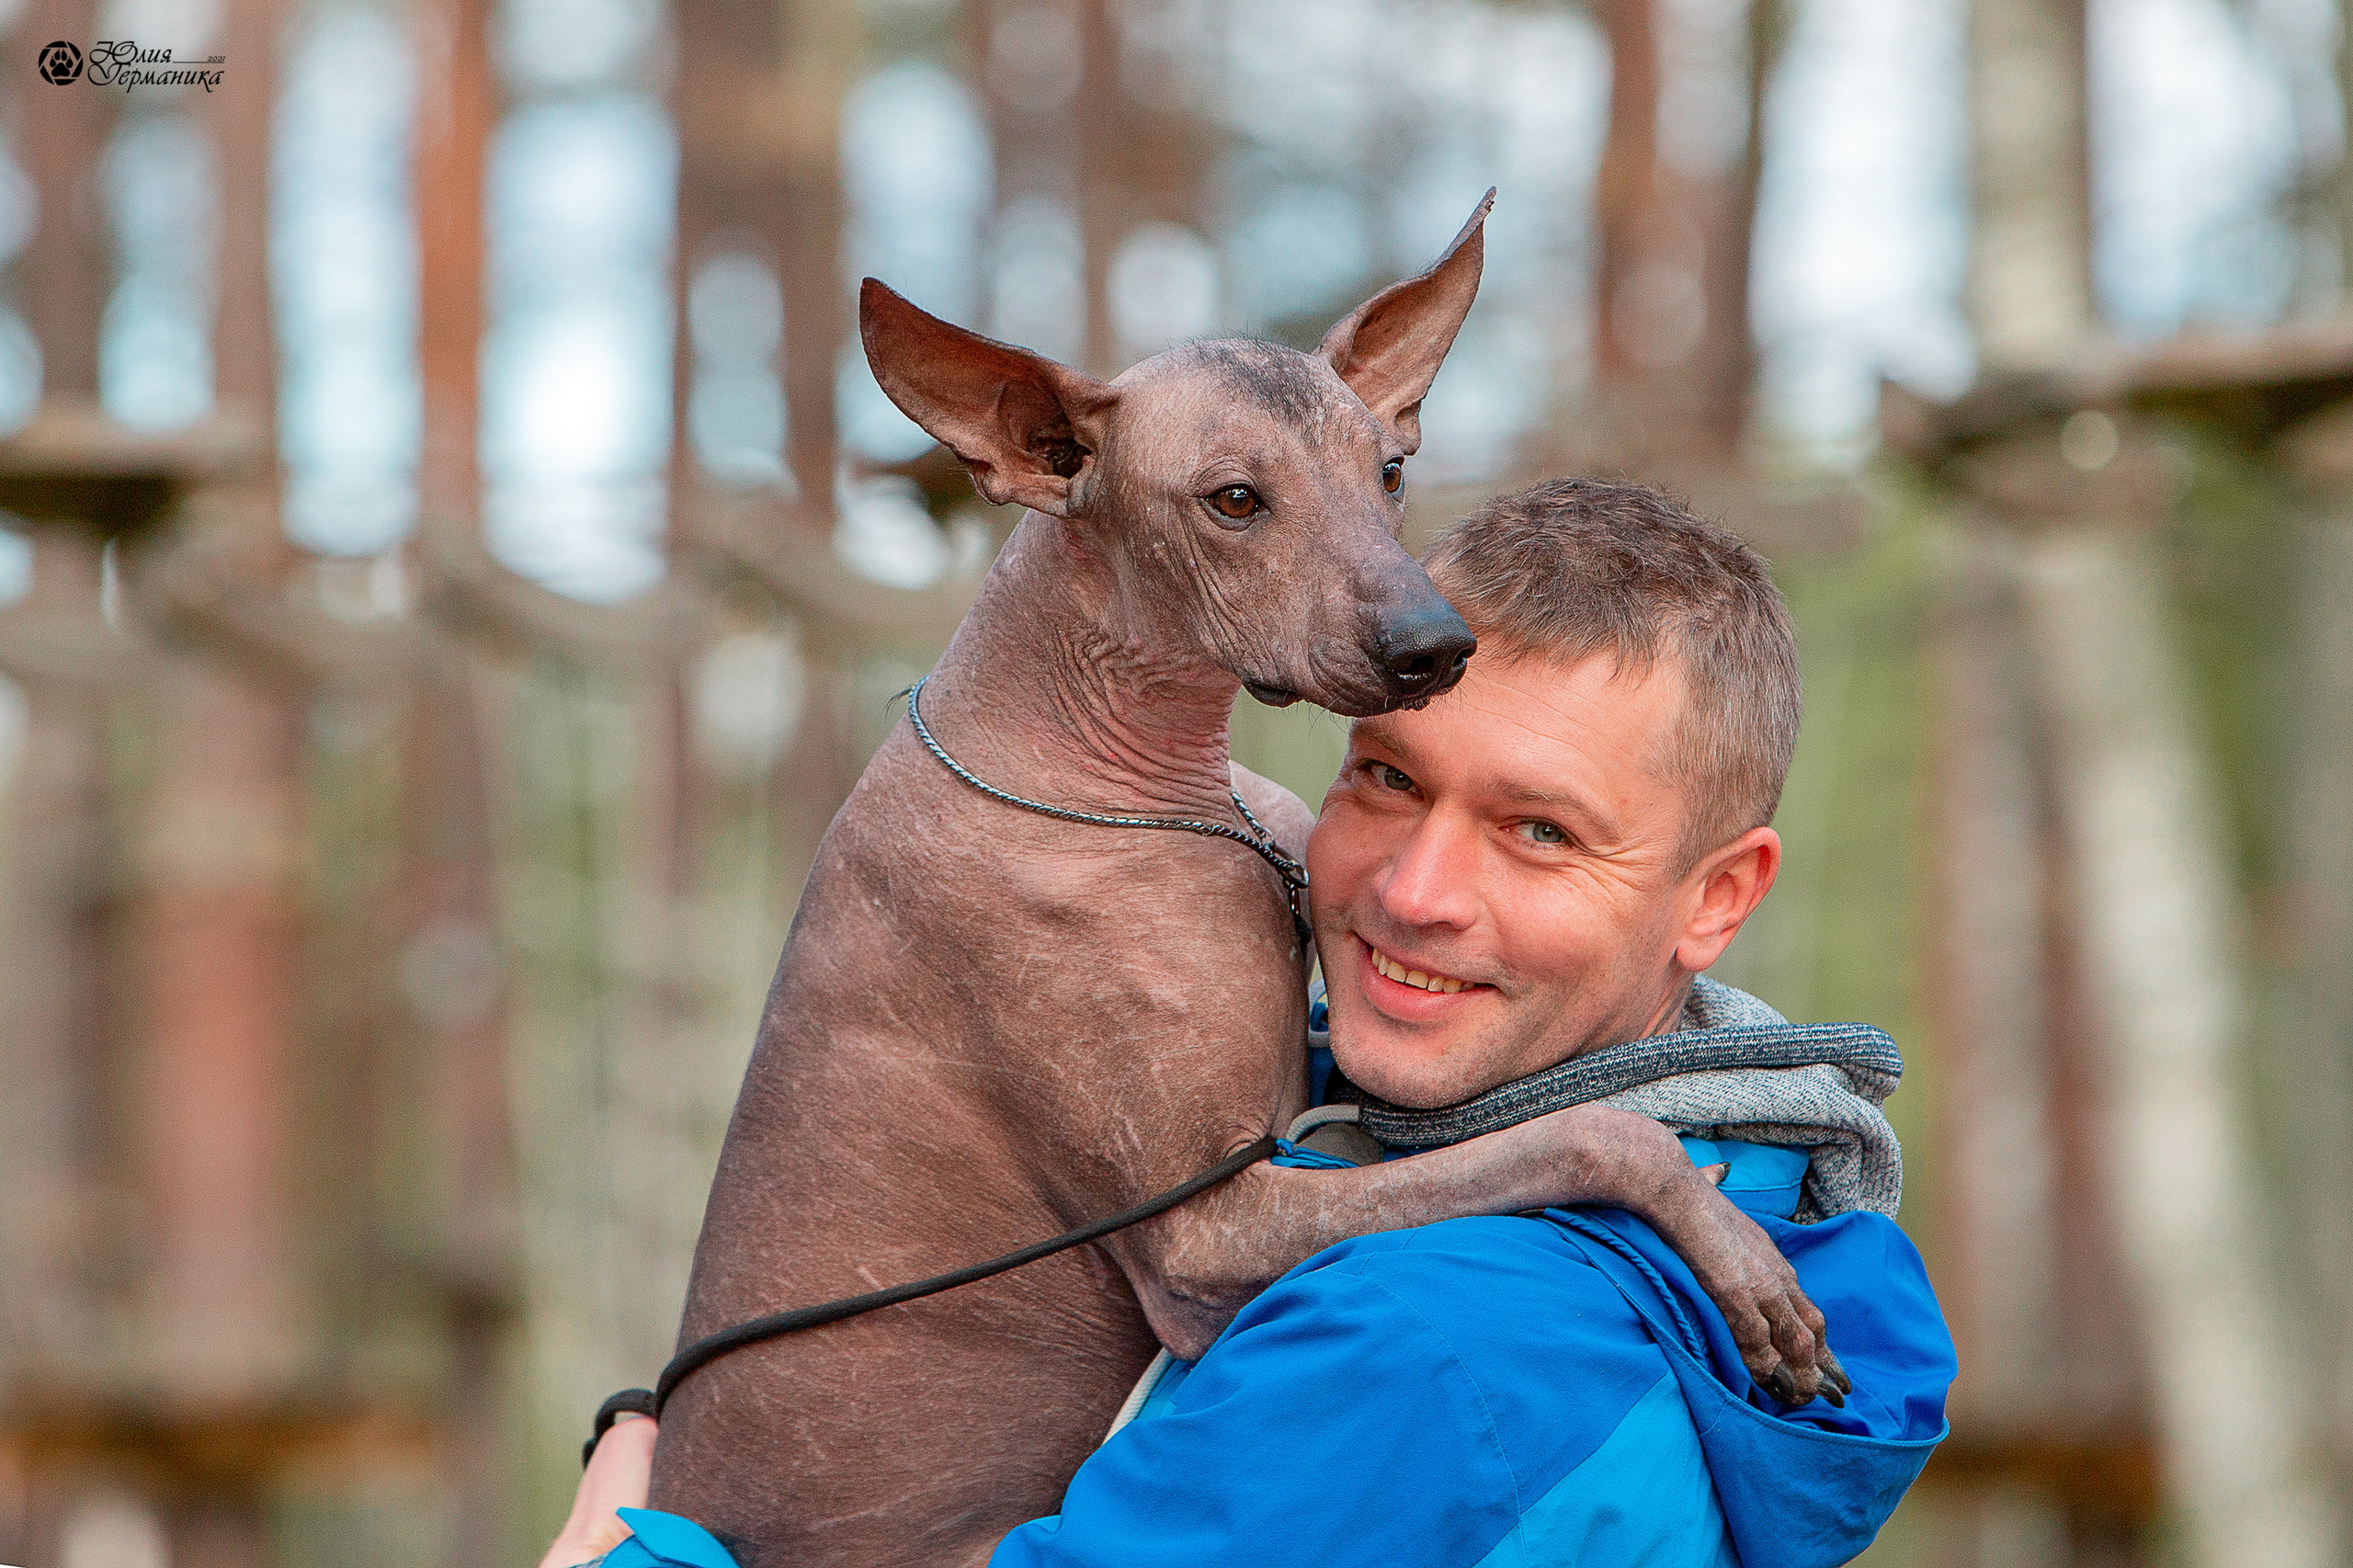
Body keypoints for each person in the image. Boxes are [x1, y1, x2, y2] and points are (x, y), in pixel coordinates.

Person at [548, 479, 1953, 1568]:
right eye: (1388, 779)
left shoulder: (1425, 1347)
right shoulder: (1747, 1189)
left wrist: (627, 1517)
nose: (1413, 893)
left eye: (1537, 831)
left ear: (1716, 899)